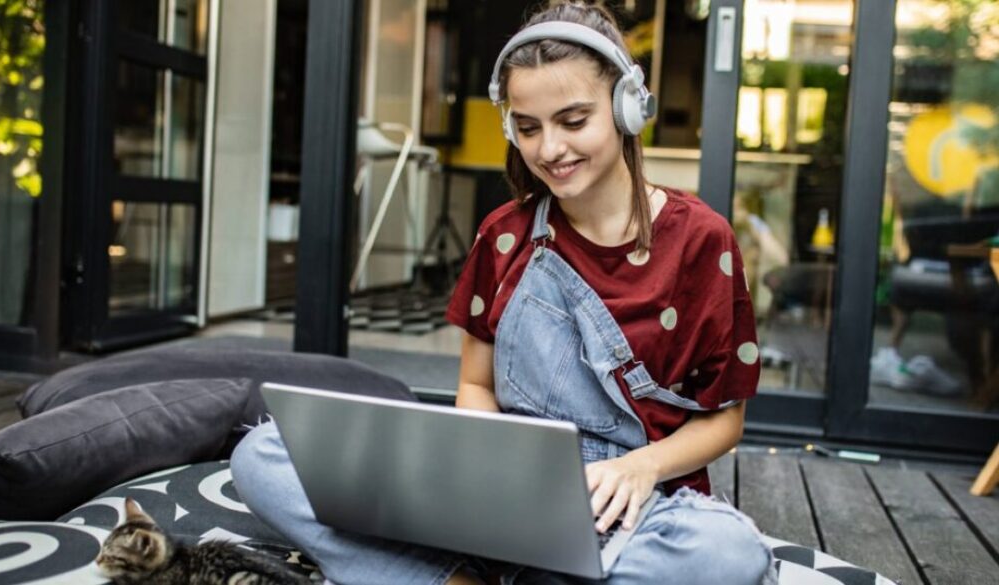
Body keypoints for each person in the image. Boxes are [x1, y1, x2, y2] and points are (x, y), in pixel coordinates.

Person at [230, 3, 776, 584]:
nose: (549, 149)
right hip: (504, 485)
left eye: (573, 120)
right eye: (528, 126)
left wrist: (642, 469)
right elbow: (476, 385)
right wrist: (486, 482)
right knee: (262, 456)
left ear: (626, 109)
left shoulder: (700, 239)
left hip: (628, 504)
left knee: (726, 556)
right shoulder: (503, 235)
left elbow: (725, 421)